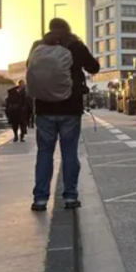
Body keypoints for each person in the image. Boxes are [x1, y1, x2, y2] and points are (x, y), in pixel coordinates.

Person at [27, 18, 100, 212]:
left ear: (49, 30)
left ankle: (40, 199)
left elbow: (29, 67)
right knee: (69, 153)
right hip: (70, 109)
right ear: (68, 29)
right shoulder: (76, 45)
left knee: (44, 153)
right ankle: (70, 197)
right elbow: (94, 67)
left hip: (43, 109)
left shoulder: (37, 45)